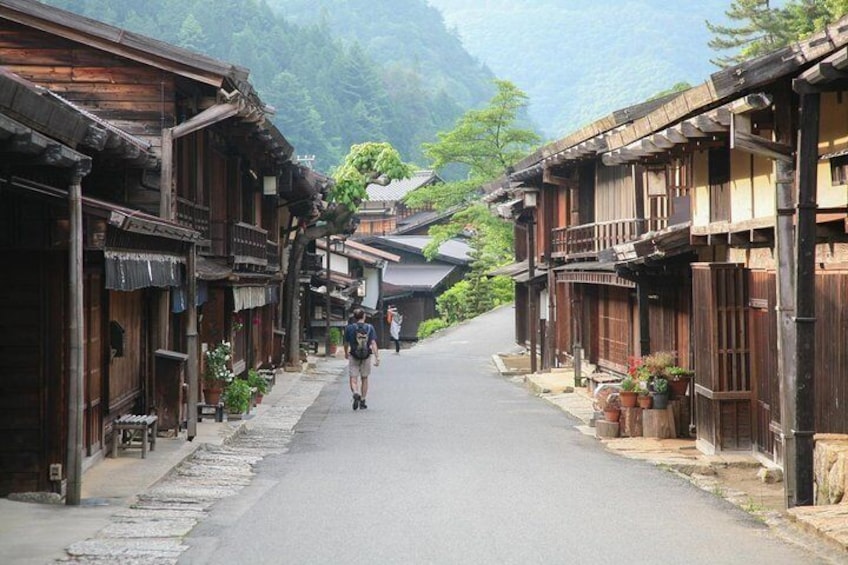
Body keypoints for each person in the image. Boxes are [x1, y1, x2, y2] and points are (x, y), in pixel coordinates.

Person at [344, 308, 380, 410]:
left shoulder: (349, 328)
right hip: (366, 356)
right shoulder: (370, 328)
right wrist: (377, 357)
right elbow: (373, 343)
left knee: (353, 378)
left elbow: (346, 343)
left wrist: (346, 353)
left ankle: (355, 393)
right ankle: (363, 400)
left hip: (353, 355)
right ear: (364, 316)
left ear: (355, 317)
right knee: (364, 378)